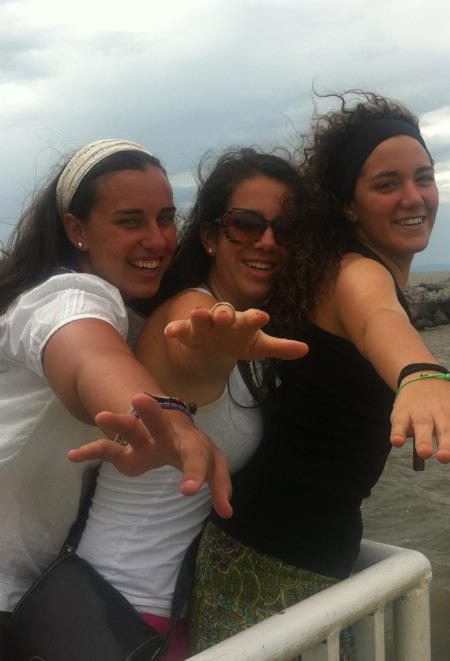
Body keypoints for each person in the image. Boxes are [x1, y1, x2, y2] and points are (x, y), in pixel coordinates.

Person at [188, 92, 450, 651]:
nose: (412, 197)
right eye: (386, 184)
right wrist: (421, 375)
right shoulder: (355, 272)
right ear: (349, 205)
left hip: (287, 552)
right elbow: (377, 319)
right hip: (269, 565)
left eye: (423, 177)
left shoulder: (339, 271)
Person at [0, 139, 234, 661]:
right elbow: (88, 359)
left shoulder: (124, 310)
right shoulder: (62, 298)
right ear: (75, 229)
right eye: (129, 221)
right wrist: (165, 417)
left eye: (166, 218)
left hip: (20, 592)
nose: (157, 238)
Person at [73, 148, 307, 659]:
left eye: (286, 229)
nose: (267, 241)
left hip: (161, 607)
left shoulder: (246, 333)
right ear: (209, 237)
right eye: (245, 225)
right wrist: (212, 343)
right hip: (121, 610)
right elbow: (193, 349)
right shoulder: (192, 312)